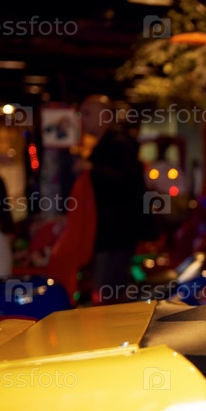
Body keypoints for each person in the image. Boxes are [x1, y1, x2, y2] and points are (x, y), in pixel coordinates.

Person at [87, 128, 154, 304]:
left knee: (106, 291)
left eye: (86, 115)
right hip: (117, 231)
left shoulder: (116, 146)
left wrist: (94, 170)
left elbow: (125, 184)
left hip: (115, 231)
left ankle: (110, 318)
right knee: (111, 288)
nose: (82, 120)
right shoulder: (116, 145)